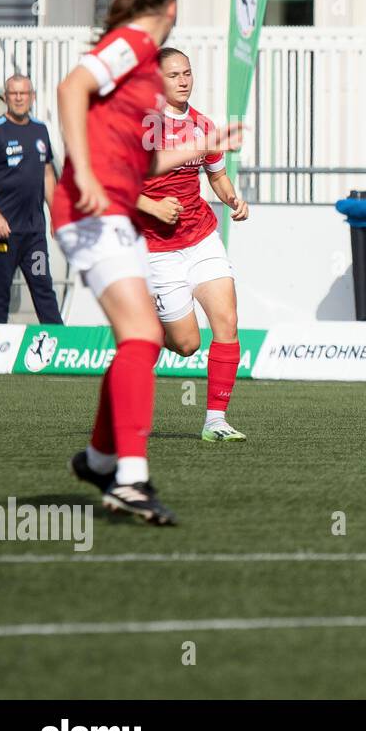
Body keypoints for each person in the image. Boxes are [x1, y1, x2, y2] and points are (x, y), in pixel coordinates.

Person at [55, 0, 242, 525]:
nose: (182, 78)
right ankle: (131, 479)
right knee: (144, 336)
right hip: (93, 208)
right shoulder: (135, 44)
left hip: (118, 215)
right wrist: (84, 172)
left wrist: (203, 147)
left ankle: (98, 459)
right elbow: (70, 89)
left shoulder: (142, 70)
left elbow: (144, 159)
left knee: (144, 340)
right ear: (172, 9)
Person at [134, 47, 250, 441]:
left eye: (187, 73)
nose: (184, 81)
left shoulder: (203, 125)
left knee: (228, 321)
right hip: (158, 250)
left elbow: (216, 175)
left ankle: (215, 420)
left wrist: (233, 197)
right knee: (185, 345)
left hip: (201, 237)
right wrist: (150, 205)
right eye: (174, 75)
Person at [0, 75, 63, 323]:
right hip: (2, 234)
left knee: (44, 288)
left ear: (32, 97)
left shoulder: (40, 130)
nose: (19, 98)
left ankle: (59, 346)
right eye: (14, 93)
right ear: (6, 97)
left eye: (24, 93)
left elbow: (47, 173)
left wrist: (55, 215)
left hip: (34, 234)